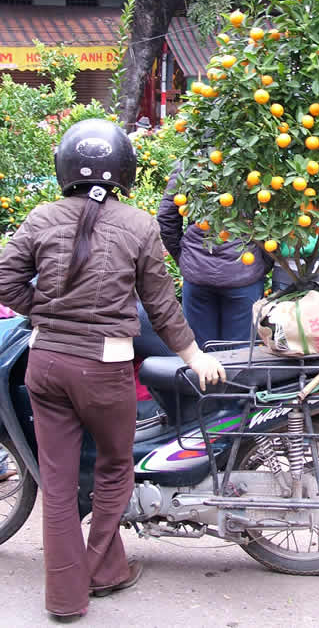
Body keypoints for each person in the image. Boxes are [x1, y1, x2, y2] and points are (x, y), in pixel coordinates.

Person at [0, 120, 225, 622]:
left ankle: (65, 597)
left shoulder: (41, 217)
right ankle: (100, 569)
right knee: (115, 469)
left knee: (57, 484)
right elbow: (162, 306)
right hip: (105, 369)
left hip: (47, 364)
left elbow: (5, 280)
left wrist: (41, 311)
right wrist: (195, 356)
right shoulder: (140, 225)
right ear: (125, 168)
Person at [158, 168, 271, 349]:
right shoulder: (252, 164)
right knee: (240, 356)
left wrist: (185, 258)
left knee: (202, 353)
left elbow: (166, 218)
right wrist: (263, 261)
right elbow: (273, 217)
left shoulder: (188, 167)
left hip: (199, 274)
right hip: (242, 273)